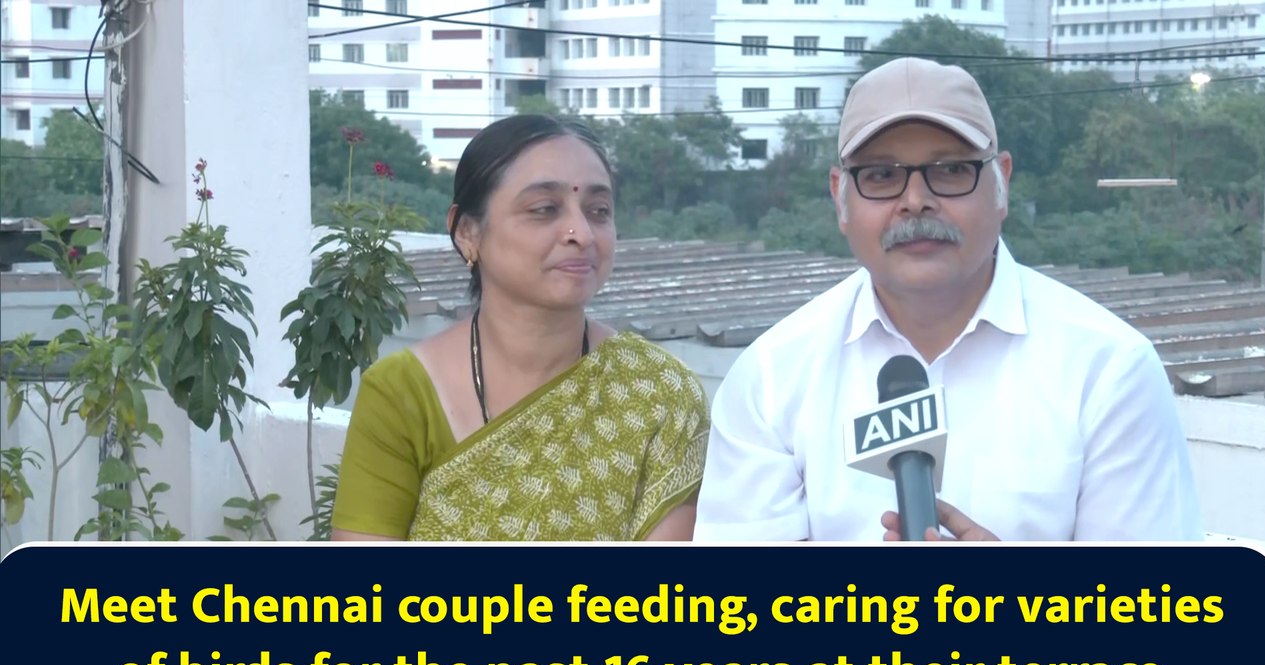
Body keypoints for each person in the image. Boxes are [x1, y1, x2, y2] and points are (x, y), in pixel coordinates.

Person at [693, 57, 1203, 542]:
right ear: (839, 197)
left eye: (952, 170)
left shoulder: (1109, 369)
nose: (915, 199)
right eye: (882, 176)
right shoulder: (772, 377)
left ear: (1001, 182)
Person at [331, 114, 709, 542]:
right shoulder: (401, 392)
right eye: (544, 209)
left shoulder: (659, 393)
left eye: (598, 211)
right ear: (468, 232)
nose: (581, 233)